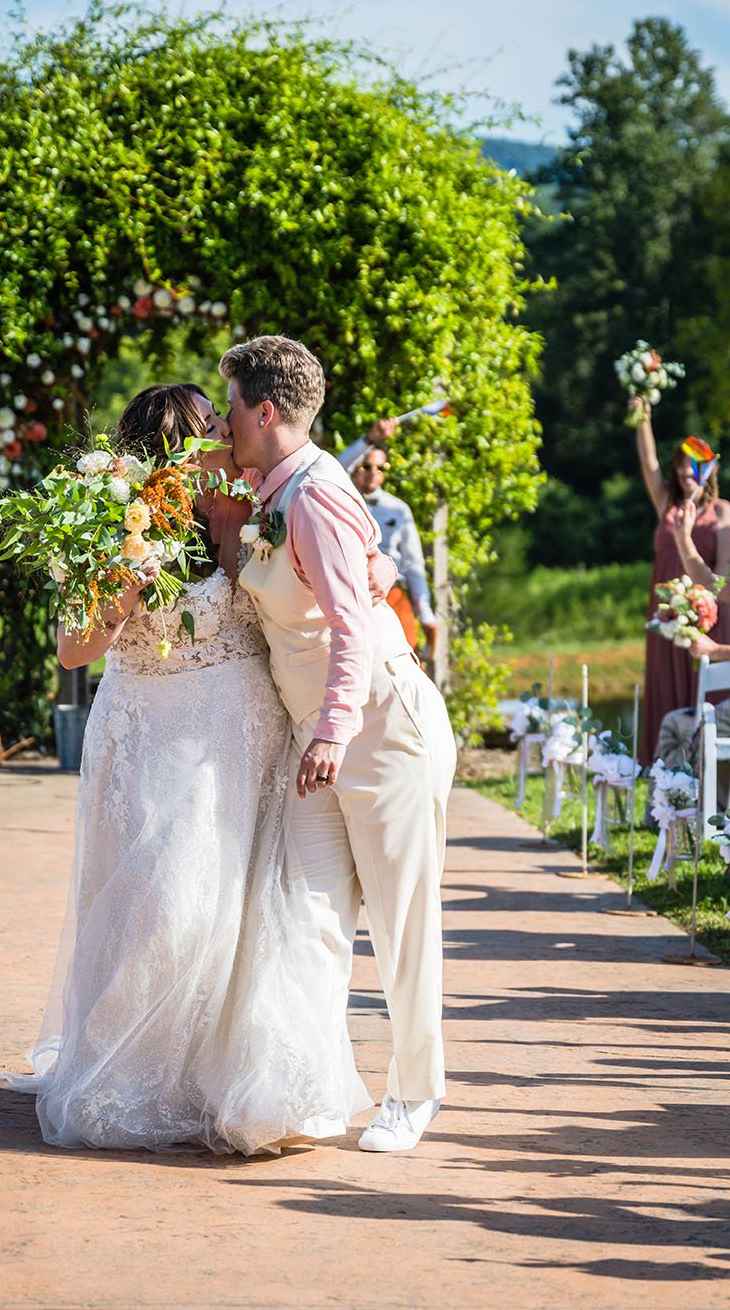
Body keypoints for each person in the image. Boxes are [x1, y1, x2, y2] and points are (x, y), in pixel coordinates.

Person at [5, 384, 374, 1155]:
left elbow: (309, 590)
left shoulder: (255, 508)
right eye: (209, 429)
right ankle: (140, 1074)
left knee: (250, 914)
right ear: (170, 448)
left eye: (224, 422)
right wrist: (135, 558)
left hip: (246, 735)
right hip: (155, 737)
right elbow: (75, 650)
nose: (229, 437)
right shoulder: (114, 517)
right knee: (164, 909)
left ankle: (234, 1083)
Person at [222, 336, 457, 1153]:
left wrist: (330, 730)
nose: (223, 422)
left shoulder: (315, 494)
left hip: (381, 729)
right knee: (307, 911)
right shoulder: (280, 490)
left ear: (264, 411)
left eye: (230, 407)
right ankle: (310, 1086)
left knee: (400, 921)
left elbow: (358, 624)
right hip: (322, 739)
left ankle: (413, 1094)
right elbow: (365, 575)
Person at [632, 397, 730, 765]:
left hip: (708, 618)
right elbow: (647, 463)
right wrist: (643, 416)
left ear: (707, 473)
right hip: (667, 615)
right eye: (680, 470)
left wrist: (699, 612)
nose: (685, 476)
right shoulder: (668, 509)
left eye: (694, 470)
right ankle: (664, 771)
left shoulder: (721, 514)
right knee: (666, 686)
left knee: (704, 691)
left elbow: (722, 584)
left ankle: (705, 773)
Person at [339, 419, 438, 653]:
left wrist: (426, 613)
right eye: (367, 466)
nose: (373, 473)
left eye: (381, 468)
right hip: (352, 591)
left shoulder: (398, 509)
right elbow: (337, 465)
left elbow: (414, 564)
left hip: (392, 592)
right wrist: (369, 439)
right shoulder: (342, 495)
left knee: (407, 661)